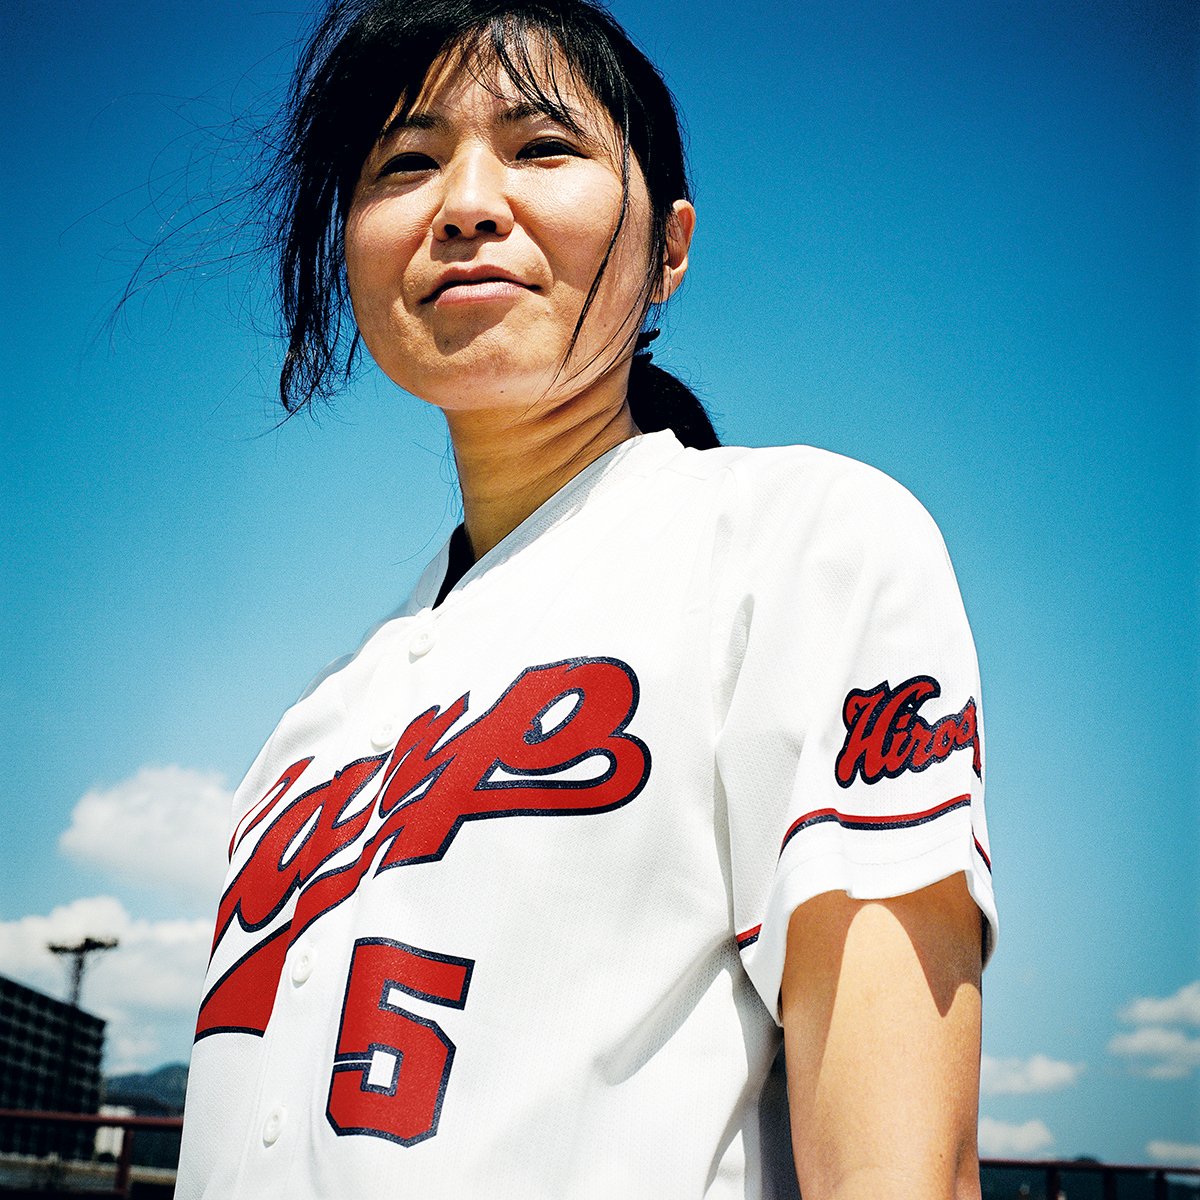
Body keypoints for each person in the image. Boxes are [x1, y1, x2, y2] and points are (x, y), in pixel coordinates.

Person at [175, 0, 998, 1196]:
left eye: (542, 146)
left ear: (669, 247)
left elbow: (902, 1173)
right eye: (404, 162)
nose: (464, 204)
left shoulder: (806, 544)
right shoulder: (307, 726)